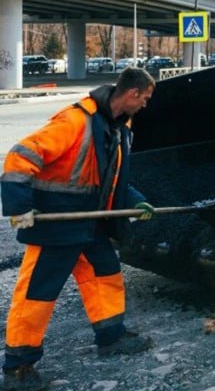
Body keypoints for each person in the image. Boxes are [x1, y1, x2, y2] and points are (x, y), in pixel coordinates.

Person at [1, 67, 158, 390]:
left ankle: (111, 336)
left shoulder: (120, 128)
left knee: (105, 275)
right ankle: (18, 366)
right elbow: (20, 157)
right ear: (132, 93)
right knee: (37, 293)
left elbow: (112, 177)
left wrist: (137, 201)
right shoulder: (75, 122)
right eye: (144, 98)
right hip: (57, 224)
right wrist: (19, 207)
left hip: (90, 222)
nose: (145, 104)